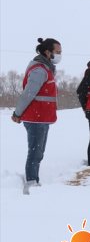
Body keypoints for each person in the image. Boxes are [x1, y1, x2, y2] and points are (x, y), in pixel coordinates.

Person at [11, 38, 61, 192]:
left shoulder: (47, 69)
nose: (60, 55)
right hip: (35, 118)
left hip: (42, 118)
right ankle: (31, 183)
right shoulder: (40, 70)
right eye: (57, 52)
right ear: (48, 52)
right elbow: (28, 94)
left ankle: (34, 180)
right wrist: (17, 113)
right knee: (35, 152)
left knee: (38, 152)